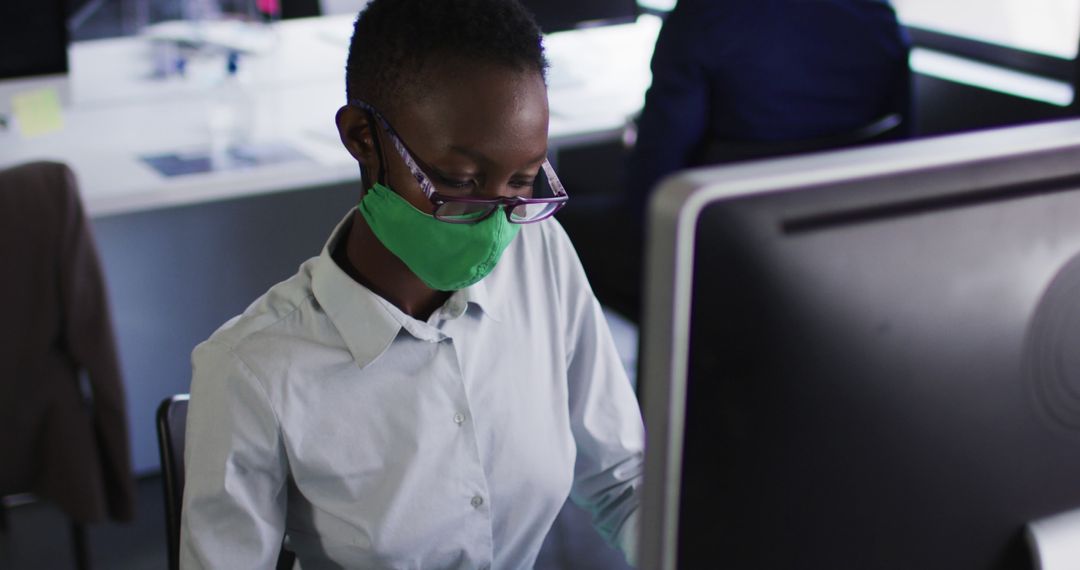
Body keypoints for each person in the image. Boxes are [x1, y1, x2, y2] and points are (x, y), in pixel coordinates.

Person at [178, 0, 644, 568]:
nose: (497, 223)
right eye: (459, 182)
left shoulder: (538, 253)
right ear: (363, 138)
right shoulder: (253, 368)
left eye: (522, 184)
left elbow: (625, 483)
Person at [563, 0, 911, 321]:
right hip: (842, 252)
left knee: (549, 227)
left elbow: (651, 189)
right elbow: (902, 148)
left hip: (711, 252)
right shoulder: (875, 12)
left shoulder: (705, 16)